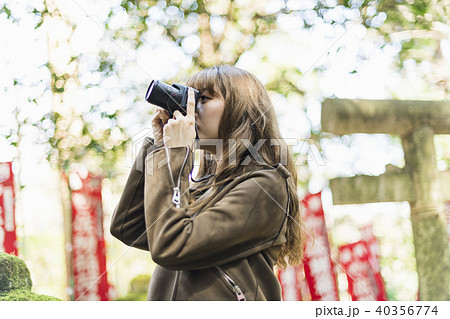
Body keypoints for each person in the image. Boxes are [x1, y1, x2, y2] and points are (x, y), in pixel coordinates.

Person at [110, 65, 305, 301]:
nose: (190, 110)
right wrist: (161, 147)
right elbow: (128, 226)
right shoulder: (204, 186)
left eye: (202, 98)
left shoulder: (267, 184)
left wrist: (176, 153)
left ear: (242, 108)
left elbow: (171, 244)